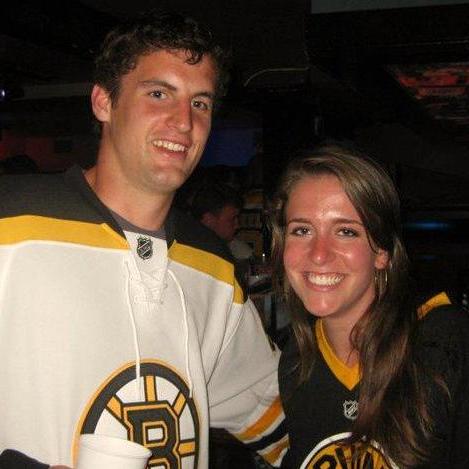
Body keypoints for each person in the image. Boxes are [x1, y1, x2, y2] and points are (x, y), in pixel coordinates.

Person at [0, 11, 287, 469]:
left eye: (200, 103)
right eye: (159, 94)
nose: (183, 122)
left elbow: (277, 416)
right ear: (103, 102)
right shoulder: (10, 222)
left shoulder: (211, 266)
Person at [270, 143, 469, 468]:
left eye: (346, 232)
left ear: (382, 252)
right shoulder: (296, 361)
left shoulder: (444, 342)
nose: (319, 254)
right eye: (302, 230)